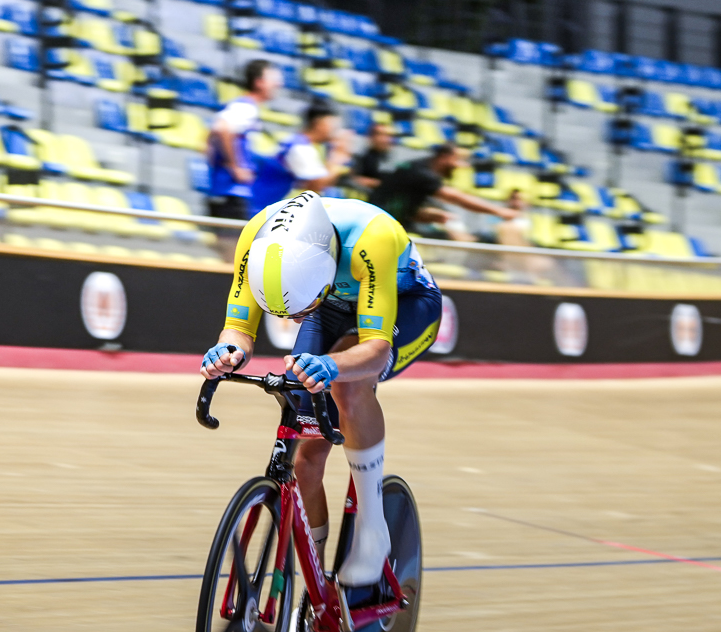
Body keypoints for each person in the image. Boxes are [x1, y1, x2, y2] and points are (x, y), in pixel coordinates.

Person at [201, 191, 441, 587]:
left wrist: (332, 365)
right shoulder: (255, 237)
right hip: (328, 304)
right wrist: (227, 351)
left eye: (297, 310)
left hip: (405, 302)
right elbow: (240, 329)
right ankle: (316, 588)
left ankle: (372, 525)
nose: (293, 319)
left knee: (348, 387)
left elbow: (376, 351)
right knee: (305, 461)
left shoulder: (372, 237)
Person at [368, 143, 509, 241]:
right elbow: (456, 198)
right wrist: (500, 211)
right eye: (456, 160)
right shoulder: (422, 173)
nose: (457, 166)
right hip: (381, 230)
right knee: (457, 240)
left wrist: (432, 216)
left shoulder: (417, 169)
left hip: (390, 226)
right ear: (444, 158)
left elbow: (403, 208)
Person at [204, 59, 275, 224]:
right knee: (236, 248)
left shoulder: (243, 106)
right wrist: (234, 166)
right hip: (232, 193)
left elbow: (213, 132)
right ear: (259, 82)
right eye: (273, 80)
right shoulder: (246, 107)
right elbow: (222, 128)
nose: (279, 84)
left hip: (227, 192)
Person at [248, 101, 351, 206]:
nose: (335, 131)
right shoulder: (301, 148)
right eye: (333, 126)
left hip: (266, 202)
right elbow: (316, 186)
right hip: (262, 205)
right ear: (318, 123)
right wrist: (338, 157)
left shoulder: (300, 142)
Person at [346, 122, 397, 193]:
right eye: (380, 135)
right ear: (371, 137)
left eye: (388, 136)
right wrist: (378, 183)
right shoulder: (362, 157)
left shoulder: (394, 159)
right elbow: (354, 179)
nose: (385, 139)